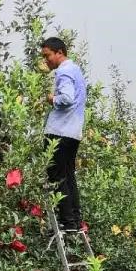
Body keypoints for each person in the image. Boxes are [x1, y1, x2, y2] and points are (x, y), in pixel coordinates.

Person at [42, 37, 87, 231]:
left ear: (59, 52)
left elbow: (67, 98)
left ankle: (67, 222)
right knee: (68, 176)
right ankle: (74, 221)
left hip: (59, 131)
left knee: (57, 176)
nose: (46, 61)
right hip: (73, 132)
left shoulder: (64, 71)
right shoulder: (76, 70)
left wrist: (52, 99)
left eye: (48, 55)